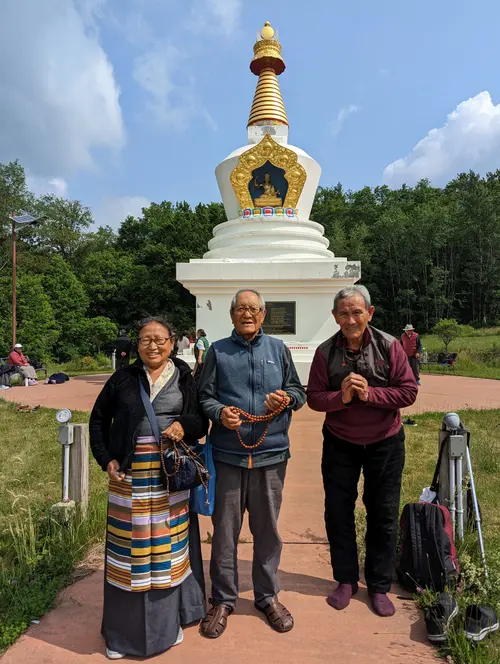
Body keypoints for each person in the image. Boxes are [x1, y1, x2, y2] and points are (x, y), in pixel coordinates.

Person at [89, 316, 208, 660]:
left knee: (167, 549)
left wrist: (182, 426)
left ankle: (167, 624)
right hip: (129, 476)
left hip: (169, 476)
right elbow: (99, 420)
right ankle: (123, 634)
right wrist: (106, 459)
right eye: (145, 340)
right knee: (132, 552)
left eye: (159, 339)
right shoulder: (123, 379)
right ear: (137, 345)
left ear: (173, 342)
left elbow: (200, 420)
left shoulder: (185, 377)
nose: (152, 346)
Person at [198, 288, 306, 638]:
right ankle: (223, 599)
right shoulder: (217, 351)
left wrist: (287, 398)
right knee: (225, 531)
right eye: (240, 308)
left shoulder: (278, 349)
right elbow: (204, 396)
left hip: (271, 454)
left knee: (267, 530)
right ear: (232, 315)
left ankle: (266, 595)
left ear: (263, 314)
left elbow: (299, 392)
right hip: (228, 454)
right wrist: (219, 412)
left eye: (254, 309)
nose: (247, 314)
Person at [307, 285, 417, 618]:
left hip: (385, 441)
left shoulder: (389, 346)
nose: (351, 319)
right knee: (338, 511)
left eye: (357, 312)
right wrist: (340, 397)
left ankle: (379, 585)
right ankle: (345, 580)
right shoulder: (326, 352)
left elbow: (408, 391)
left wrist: (371, 395)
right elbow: (313, 397)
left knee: (382, 514)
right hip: (341, 441)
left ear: (369, 313)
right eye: (344, 313)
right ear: (335, 316)